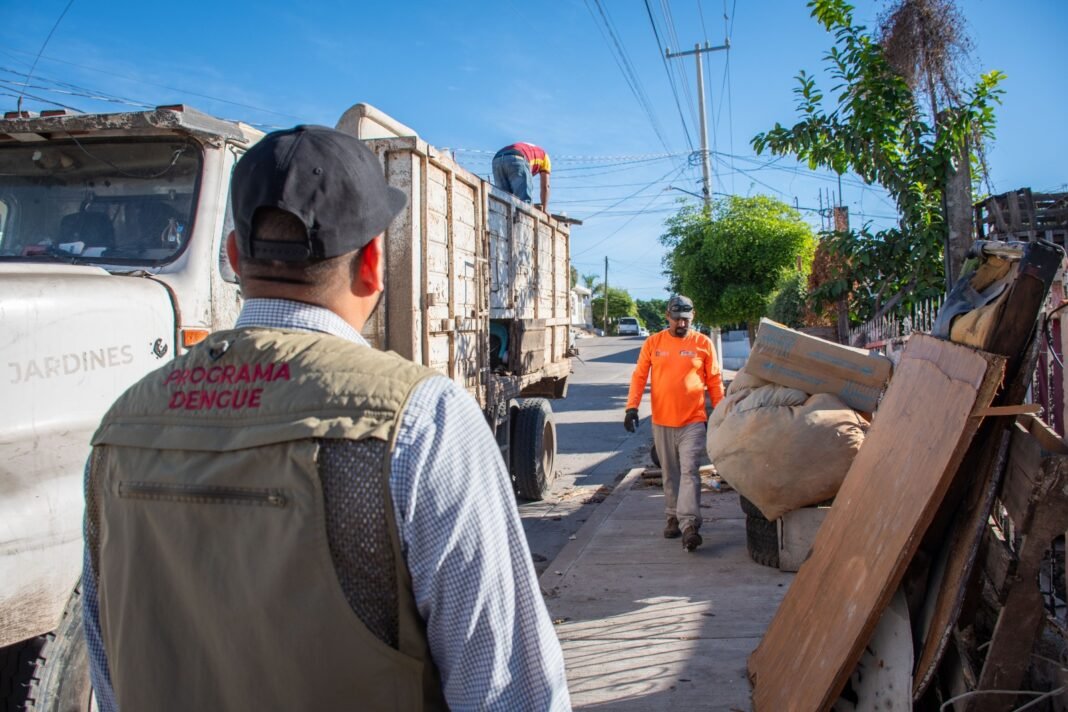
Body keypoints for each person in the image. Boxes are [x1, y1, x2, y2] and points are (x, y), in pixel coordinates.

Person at [82, 125, 571, 711]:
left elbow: (109, 671)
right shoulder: (423, 423)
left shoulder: (121, 428)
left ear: (235, 258)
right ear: (371, 264)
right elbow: (510, 695)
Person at [623, 295, 724, 552]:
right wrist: (631, 407)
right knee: (671, 474)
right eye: (677, 319)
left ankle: (689, 525)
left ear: (694, 316)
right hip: (662, 421)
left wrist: (722, 410)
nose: (681, 324)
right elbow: (639, 376)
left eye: (686, 319)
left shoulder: (703, 343)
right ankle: (672, 516)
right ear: (667, 316)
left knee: (690, 471)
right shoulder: (654, 343)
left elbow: (713, 380)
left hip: (693, 420)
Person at [492, 142, 551, 212]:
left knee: (503, 202)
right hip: (517, 157)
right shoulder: (545, 157)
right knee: (524, 202)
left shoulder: (530, 150)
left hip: (497, 159)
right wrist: (544, 209)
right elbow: (545, 186)